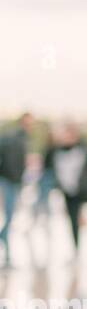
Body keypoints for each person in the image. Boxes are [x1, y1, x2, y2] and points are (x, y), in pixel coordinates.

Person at [43, 122, 87, 256]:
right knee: (72, 218)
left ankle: (77, 246)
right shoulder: (56, 151)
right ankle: (76, 247)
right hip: (66, 190)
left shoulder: (84, 150)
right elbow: (48, 164)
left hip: (81, 190)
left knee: (77, 217)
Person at [0, 112, 34, 267]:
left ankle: (5, 247)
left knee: (11, 215)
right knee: (9, 215)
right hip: (9, 180)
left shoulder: (22, 139)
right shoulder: (14, 138)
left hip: (13, 181)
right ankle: (6, 251)